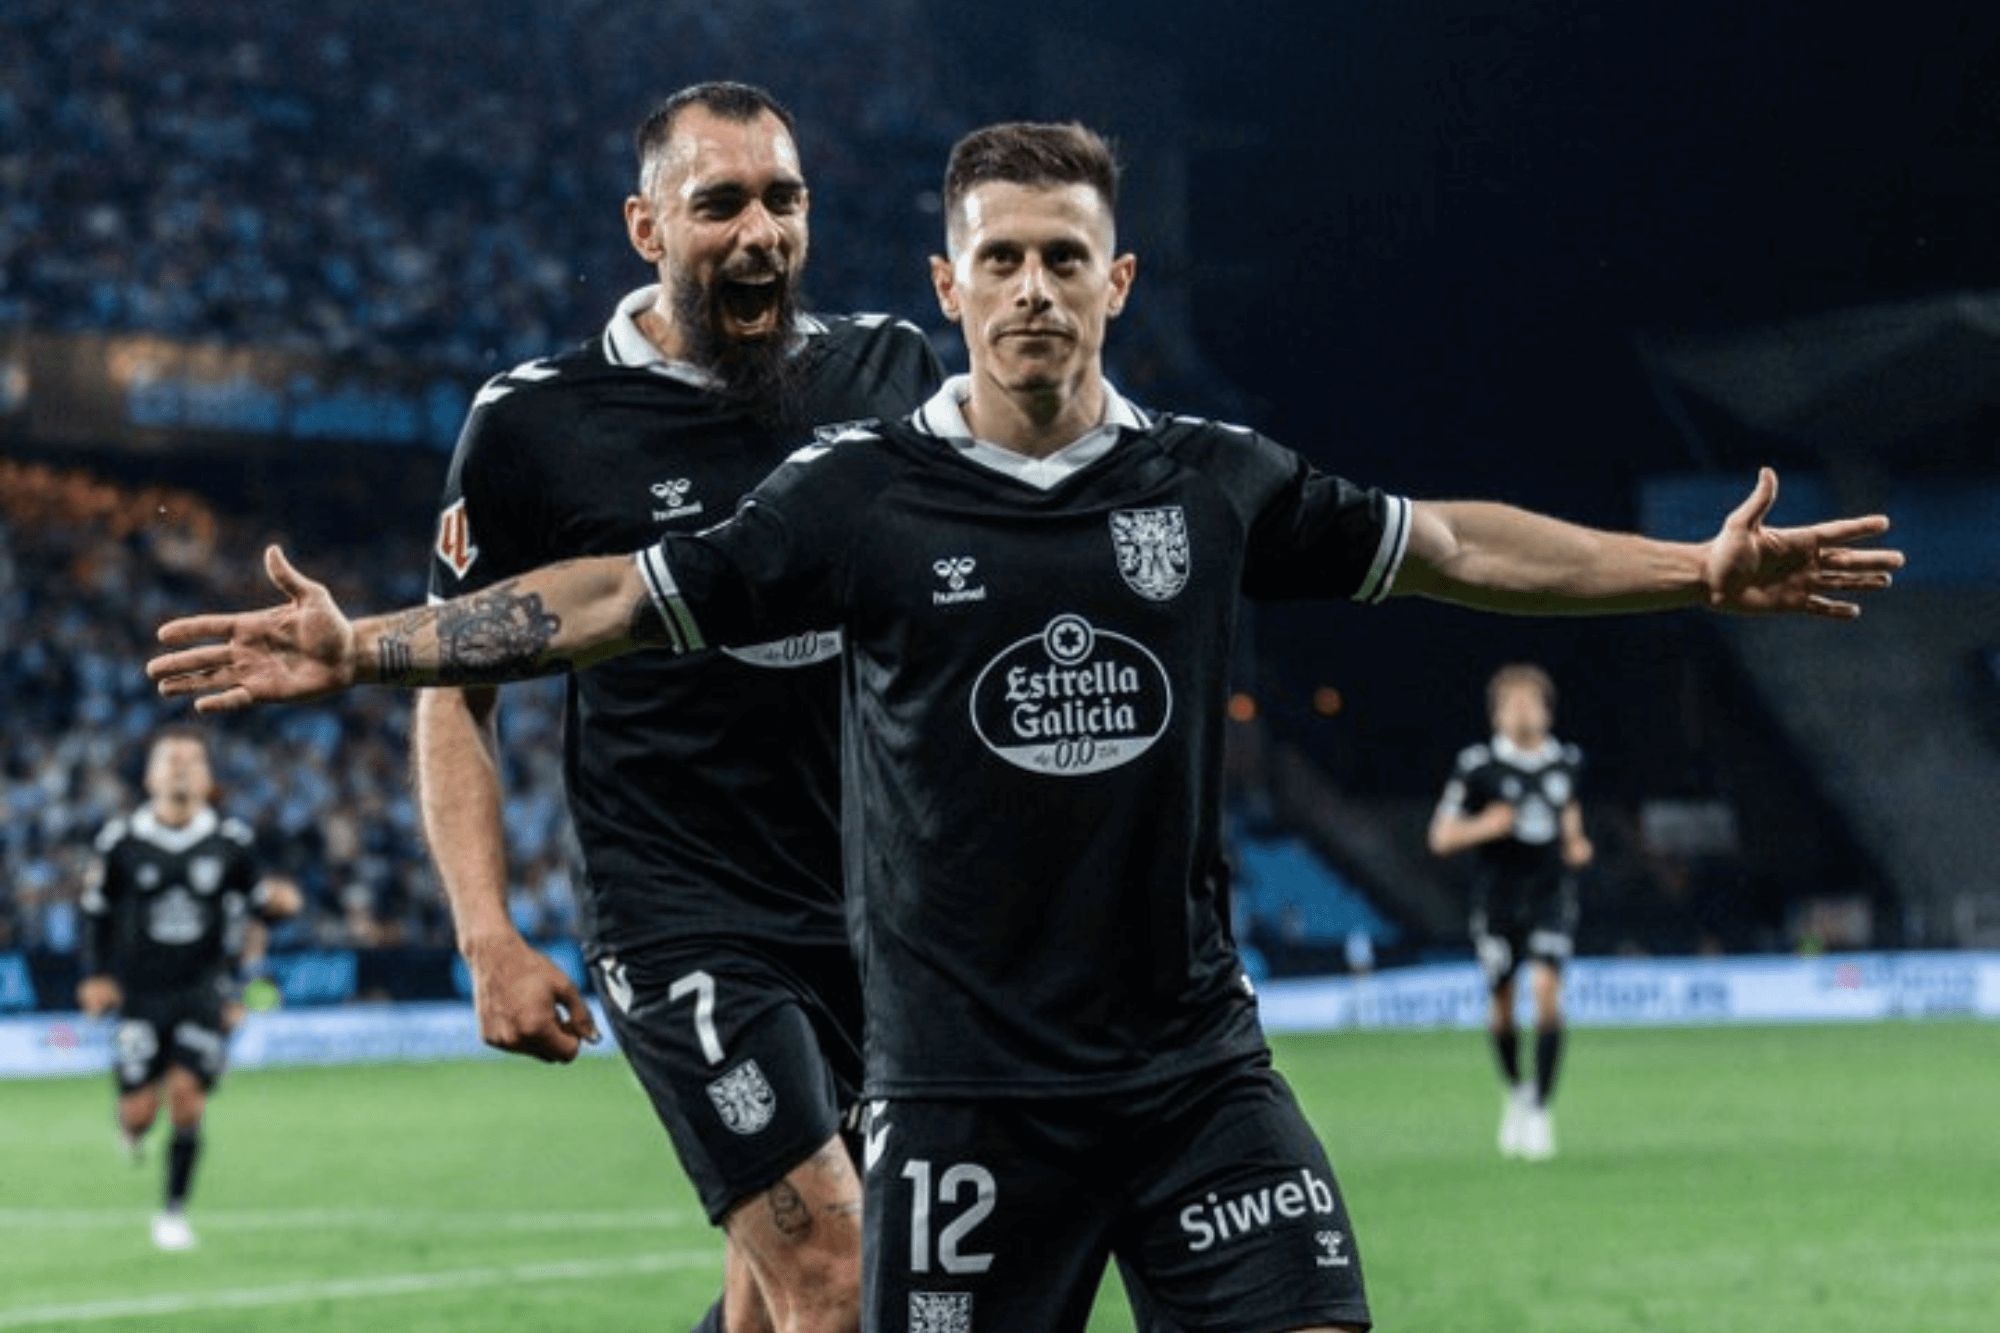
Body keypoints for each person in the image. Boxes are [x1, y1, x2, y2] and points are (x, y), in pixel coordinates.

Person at [147, 121, 1902, 1332]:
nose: (1037, 288)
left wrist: (1694, 570)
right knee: (816, 1278)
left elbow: (1453, 544)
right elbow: (610, 598)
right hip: (951, 1082)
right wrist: (370, 649)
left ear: (1118, 280)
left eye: (1068, 256)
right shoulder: (848, 490)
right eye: (1004, 259)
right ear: (950, 284)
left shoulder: (1207, 480)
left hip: (1188, 1067)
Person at [412, 82, 940, 1333]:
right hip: (681, 914)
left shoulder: (889, 370)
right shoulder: (534, 424)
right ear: (645, 227)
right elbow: (453, 686)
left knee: (771, 1300)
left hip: (874, 913)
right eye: (720, 204)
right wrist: (486, 935)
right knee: (842, 1276)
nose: (761, 232)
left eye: (784, 199)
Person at [77, 727, 303, 1251]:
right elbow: (95, 912)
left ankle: (173, 1213)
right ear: (149, 776)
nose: (180, 767)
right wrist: (95, 975)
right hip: (138, 993)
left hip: (201, 990)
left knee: (186, 1100)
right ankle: (131, 1127)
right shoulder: (121, 840)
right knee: (140, 1114)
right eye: (169, 759)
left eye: (191, 760)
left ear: (207, 778)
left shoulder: (231, 841)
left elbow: (255, 908)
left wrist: (279, 910)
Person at [1429, 664, 1590, 1160]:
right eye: (1512, 704)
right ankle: (1516, 1089)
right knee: (1501, 1006)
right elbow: (1441, 837)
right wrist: (1486, 826)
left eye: (1530, 703)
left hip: (1550, 896)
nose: (1522, 712)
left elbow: (1570, 815)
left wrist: (1577, 842)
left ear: (1546, 711)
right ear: (1496, 714)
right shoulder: (1478, 767)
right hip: (1497, 900)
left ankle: (1540, 1108)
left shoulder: (1566, 762)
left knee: (1546, 992)